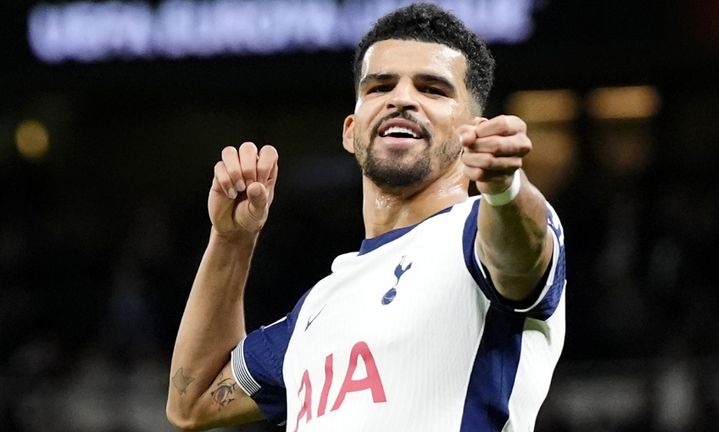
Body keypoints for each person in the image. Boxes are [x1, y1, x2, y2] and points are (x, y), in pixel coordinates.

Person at [166, 3, 566, 431]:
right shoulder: (318, 309)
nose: (401, 98)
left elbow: (519, 255)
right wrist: (231, 241)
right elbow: (191, 403)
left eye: (433, 89)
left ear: (473, 129)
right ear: (350, 130)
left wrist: (504, 188)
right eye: (380, 86)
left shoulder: (474, 234)